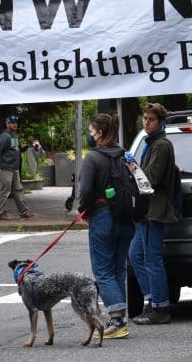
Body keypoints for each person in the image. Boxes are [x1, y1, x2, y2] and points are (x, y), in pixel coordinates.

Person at [78, 112, 136, 339]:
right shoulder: (126, 156)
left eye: (91, 131)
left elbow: (85, 191)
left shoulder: (93, 158)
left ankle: (117, 319)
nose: (90, 135)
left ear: (100, 133)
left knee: (103, 271)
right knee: (118, 269)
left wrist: (84, 211)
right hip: (126, 218)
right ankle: (121, 318)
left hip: (103, 217)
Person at [129, 102, 179, 325]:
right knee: (136, 255)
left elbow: (150, 179)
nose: (146, 122)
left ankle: (160, 307)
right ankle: (153, 300)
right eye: (144, 118)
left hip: (154, 209)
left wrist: (132, 169)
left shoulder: (160, 145)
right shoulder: (151, 142)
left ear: (160, 122)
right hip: (146, 210)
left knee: (152, 259)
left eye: (150, 119)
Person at [0, 114, 32, 221]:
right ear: (7, 124)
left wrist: (24, 148)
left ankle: (24, 211)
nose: (15, 125)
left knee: (18, 190)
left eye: (16, 123)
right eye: (12, 123)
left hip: (14, 168)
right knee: (4, 191)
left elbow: (15, 150)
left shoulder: (14, 135)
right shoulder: (5, 136)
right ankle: (0, 213)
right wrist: (2, 164)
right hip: (6, 168)